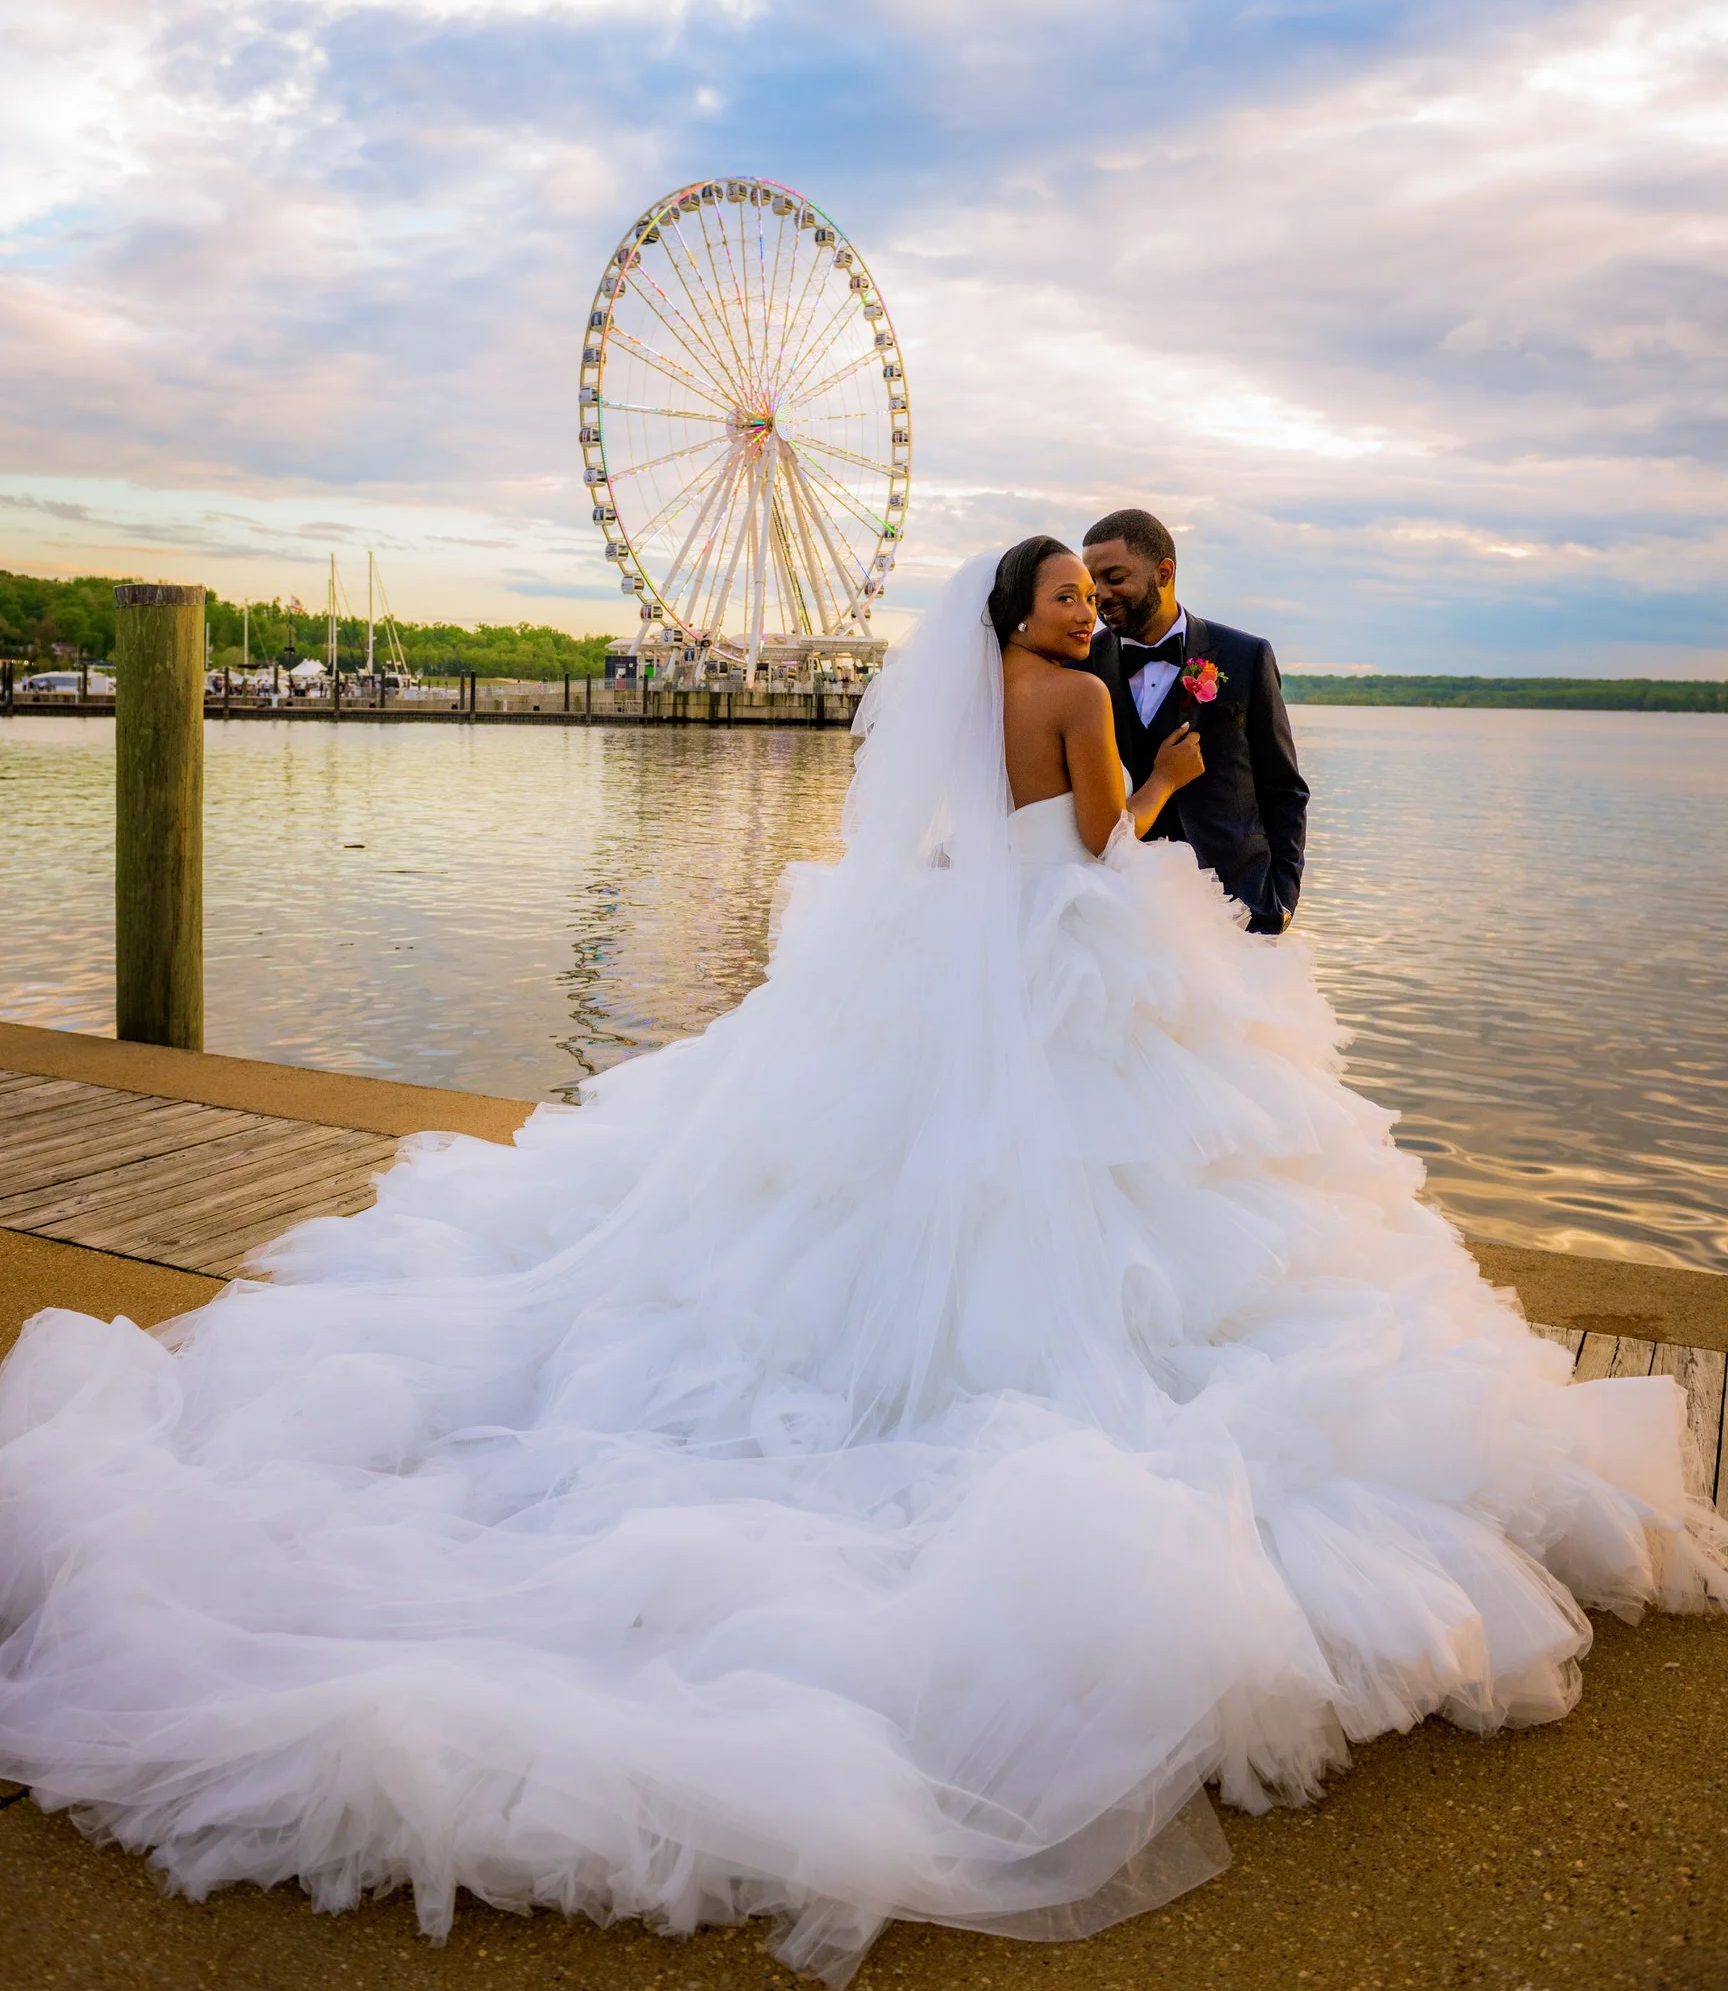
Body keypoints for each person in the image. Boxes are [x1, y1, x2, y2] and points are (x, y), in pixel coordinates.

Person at [0, 544, 1718, 1988]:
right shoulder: (1074, 697)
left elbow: (955, 848)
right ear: (1023, 619)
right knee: (1141, 1190)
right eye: (1058, 596)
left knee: (867, 1182)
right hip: (1074, 954)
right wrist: (1176, 756)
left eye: (1080, 595)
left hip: (960, 948)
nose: (1075, 611)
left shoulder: (964, 709)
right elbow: (1114, 837)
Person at [1083, 508, 1307, 934]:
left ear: (1164, 573)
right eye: (1090, 581)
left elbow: (1284, 789)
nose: (1099, 595)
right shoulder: (1082, 667)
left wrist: (1282, 899)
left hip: (1236, 902)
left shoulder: (1245, 656)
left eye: (1114, 578)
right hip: (1121, 908)